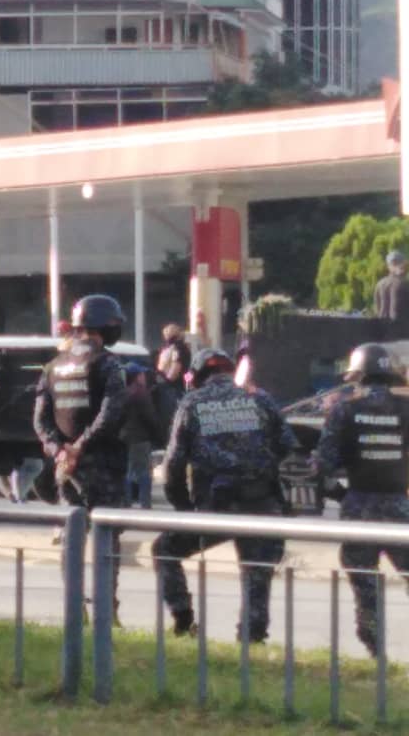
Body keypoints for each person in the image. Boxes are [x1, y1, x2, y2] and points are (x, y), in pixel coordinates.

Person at [152, 348, 295, 641]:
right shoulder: (259, 398)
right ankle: (252, 637)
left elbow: (174, 465)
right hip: (262, 502)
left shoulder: (192, 403)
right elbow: (288, 444)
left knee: (164, 550)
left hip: (216, 508)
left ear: (198, 376)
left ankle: (183, 620)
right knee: (256, 573)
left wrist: (184, 509)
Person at [313, 343, 409, 657]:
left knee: (365, 584)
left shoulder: (344, 409)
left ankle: (374, 650)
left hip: (358, 509)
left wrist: (338, 493)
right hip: (400, 508)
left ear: (359, 375)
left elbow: (323, 466)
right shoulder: (406, 408)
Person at [34, 294, 128, 609]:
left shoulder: (53, 366)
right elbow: (111, 412)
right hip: (102, 466)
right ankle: (106, 609)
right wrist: (81, 445)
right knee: (107, 539)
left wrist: (58, 450)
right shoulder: (108, 363)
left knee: (71, 538)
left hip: (66, 469)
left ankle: (74, 609)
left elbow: (40, 419)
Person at [121, 363, 166, 508]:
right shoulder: (141, 393)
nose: (144, 377)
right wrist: (160, 435)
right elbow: (150, 417)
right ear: (136, 377)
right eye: (141, 374)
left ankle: (126, 503)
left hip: (123, 438)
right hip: (140, 439)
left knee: (126, 471)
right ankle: (145, 504)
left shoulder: (122, 392)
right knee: (143, 472)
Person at [156, 323, 191, 431]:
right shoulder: (173, 348)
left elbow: (176, 370)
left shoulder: (178, 348)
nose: (165, 336)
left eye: (167, 334)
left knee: (172, 419)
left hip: (173, 387)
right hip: (176, 386)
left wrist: (165, 380)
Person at [373, 250, 409, 322]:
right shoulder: (404, 284)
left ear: (388, 266)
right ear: (402, 265)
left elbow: (377, 308)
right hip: (401, 329)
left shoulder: (380, 284)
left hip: (382, 329)